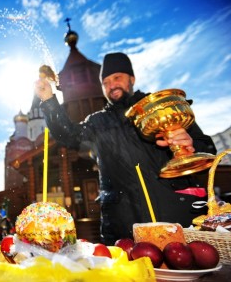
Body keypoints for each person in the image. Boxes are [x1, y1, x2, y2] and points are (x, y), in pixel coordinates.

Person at [34, 53, 217, 245]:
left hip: (179, 219)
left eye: (117, 78)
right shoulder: (98, 122)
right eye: (105, 82)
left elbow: (207, 149)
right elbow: (68, 134)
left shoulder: (161, 108)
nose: (111, 85)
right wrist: (48, 99)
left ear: (132, 78)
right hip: (123, 228)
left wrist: (189, 145)